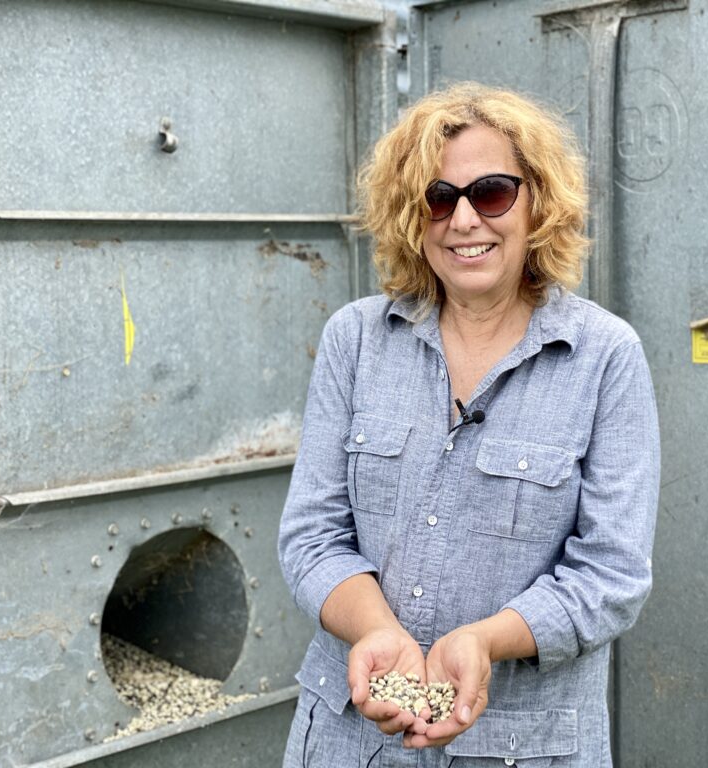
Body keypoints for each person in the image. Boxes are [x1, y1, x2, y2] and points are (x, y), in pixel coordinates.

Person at [278, 82, 660, 768]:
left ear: (538, 202)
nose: (463, 221)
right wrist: (377, 633)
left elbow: (612, 573)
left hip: (527, 749)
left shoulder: (605, 357)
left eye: (491, 194)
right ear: (409, 214)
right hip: (349, 739)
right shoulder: (355, 340)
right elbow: (312, 536)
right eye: (437, 198)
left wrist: (484, 640)